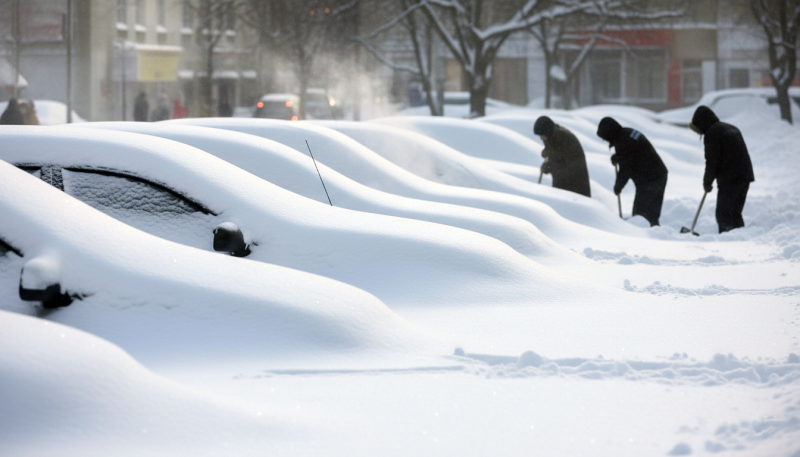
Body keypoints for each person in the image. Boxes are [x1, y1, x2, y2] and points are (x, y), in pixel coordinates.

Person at [690, 105, 754, 233]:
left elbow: (712, 161)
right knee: (735, 215)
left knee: (723, 216)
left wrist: (707, 181)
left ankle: (728, 246)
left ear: (701, 123)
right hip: (744, 177)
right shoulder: (730, 127)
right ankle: (740, 241)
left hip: (730, 179)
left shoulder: (712, 133)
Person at [596, 117, 668, 226]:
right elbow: (633, 152)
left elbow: (626, 168)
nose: (606, 141)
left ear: (609, 133)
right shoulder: (626, 133)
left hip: (652, 178)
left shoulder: (622, 141)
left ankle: (653, 238)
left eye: (605, 138)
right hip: (653, 176)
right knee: (643, 215)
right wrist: (619, 156)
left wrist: (618, 186)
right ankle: (652, 235)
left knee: (644, 216)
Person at [533, 115, 591, 197]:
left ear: (547, 132)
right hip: (566, 187)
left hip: (574, 189)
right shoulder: (555, 136)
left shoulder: (563, 138)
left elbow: (568, 166)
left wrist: (550, 167)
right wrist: (548, 150)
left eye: (542, 135)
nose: (541, 138)